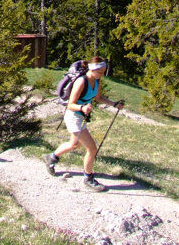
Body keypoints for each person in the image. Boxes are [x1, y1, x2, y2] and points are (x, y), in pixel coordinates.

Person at [42, 56, 124, 191]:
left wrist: (114, 104)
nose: (102, 74)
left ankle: (51, 157)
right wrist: (82, 107)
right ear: (93, 69)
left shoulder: (97, 80)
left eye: (103, 72)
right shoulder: (81, 82)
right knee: (92, 149)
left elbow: (98, 98)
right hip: (73, 116)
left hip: (81, 116)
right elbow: (70, 104)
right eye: (100, 72)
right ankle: (88, 178)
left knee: (74, 144)